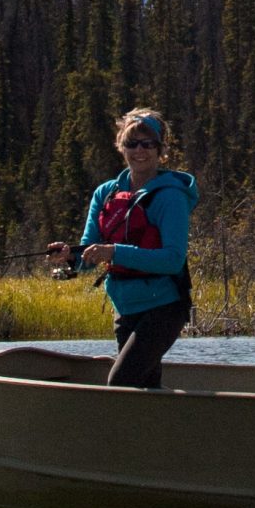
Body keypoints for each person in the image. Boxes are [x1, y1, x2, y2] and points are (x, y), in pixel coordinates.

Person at [47, 108, 196, 388]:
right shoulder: (105, 194)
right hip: (125, 306)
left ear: (160, 150)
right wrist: (70, 256)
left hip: (164, 306)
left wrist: (115, 251)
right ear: (121, 147)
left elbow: (173, 260)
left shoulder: (171, 197)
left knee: (121, 384)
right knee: (144, 389)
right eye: (132, 143)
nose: (139, 151)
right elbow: (89, 252)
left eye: (148, 144)